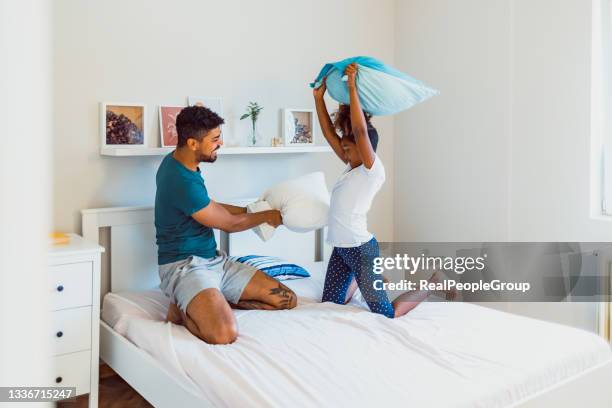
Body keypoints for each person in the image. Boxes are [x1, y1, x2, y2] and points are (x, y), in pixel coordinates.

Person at [155, 105, 297, 345]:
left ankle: (215, 299)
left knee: (287, 299)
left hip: (215, 262)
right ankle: (183, 310)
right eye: (215, 139)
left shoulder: (181, 163)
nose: (220, 143)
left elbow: (209, 206)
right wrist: (266, 216)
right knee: (224, 333)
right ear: (192, 143)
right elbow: (229, 225)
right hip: (186, 267)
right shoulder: (180, 180)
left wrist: (251, 210)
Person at [313, 63, 442, 318]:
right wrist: (318, 99)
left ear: (364, 149)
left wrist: (352, 88)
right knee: (330, 303)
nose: (343, 151)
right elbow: (330, 134)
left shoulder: (372, 171)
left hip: (360, 249)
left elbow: (360, 131)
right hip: (341, 248)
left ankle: (433, 283)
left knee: (386, 312)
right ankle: (367, 279)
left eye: (348, 148)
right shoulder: (352, 168)